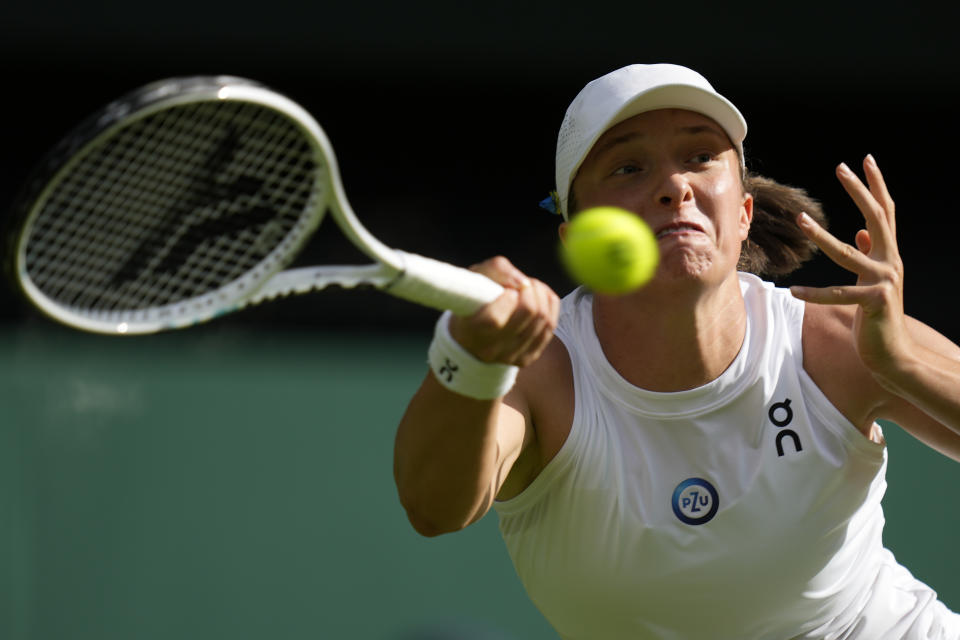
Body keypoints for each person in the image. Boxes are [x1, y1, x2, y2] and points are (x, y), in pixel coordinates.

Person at [393, 63, 960, 639]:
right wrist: (469, 359)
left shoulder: (835, 341)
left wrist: (903, 367)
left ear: (742, 214)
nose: (675, 186)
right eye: (629, 167)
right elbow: (434, 508)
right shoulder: (542, 372)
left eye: (699, 157)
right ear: (578, 234)